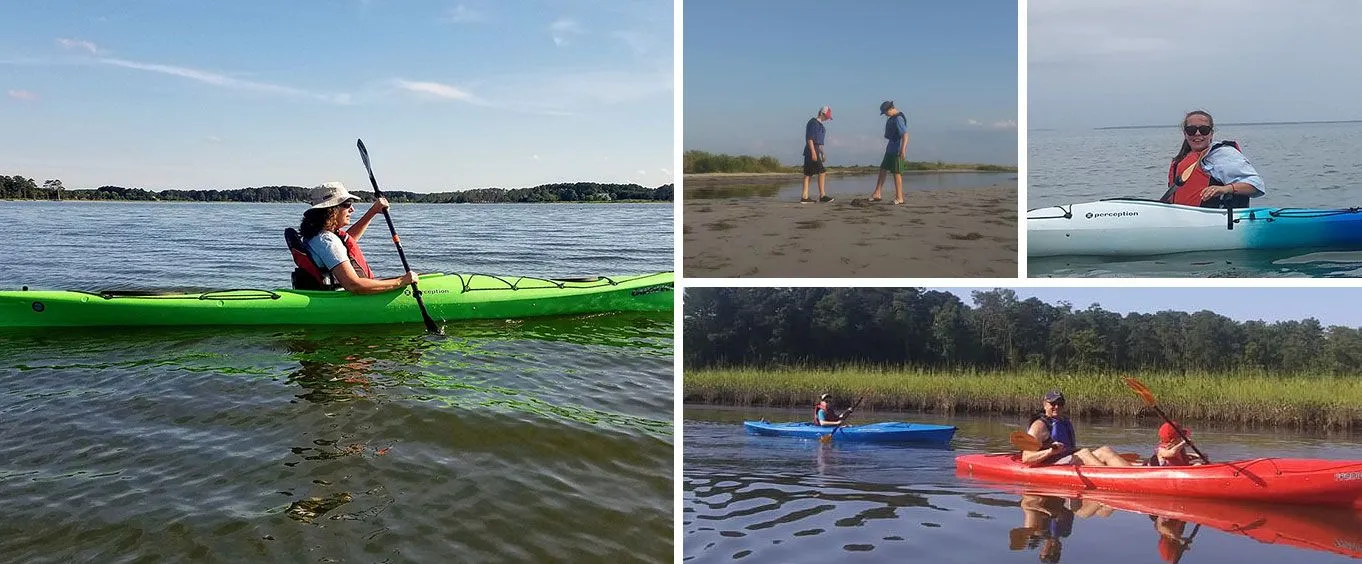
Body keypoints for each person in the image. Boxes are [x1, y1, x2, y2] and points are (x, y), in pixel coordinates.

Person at [292, 181, 418, 294]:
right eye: (347, 204)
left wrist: (372, 212)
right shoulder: (327, 241)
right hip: (347, 297)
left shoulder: (316, 236)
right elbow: (353, 284)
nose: (352, 209)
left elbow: (345, 244)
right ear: (331, 210)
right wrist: (400, 282)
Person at [1160, 110, 1265, 208]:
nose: (1197, 134)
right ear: (1185, 134)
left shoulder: (1223, 154)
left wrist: (1224, 189)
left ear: (1211, 133)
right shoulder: (1182, 158)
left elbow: (1256, 185)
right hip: (1184, 218)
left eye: (1204, 130)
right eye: (1191, 130)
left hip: (1218, 219)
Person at [1021, 390, 1134, 467]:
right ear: (1045, 404)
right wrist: (1050, 452)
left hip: (1068, 459)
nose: (1057, 407)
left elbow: (1071, 449)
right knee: (1084, 453)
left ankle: (1133, 474)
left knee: (1105, 450)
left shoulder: (1064, 422)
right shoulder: (1039, 426)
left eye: (1060, 404)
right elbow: (1026, 458)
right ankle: (1112, 479)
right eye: (1053, 403)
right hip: (1052, 463)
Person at [869, 100, 909, 205]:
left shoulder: (898, 119)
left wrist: (903, 149)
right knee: (883, 169)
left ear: (890, 109)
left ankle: (899, 197)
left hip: (897, 149)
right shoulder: (893, 118)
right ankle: (877, 193)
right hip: (890, 149)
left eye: (886, 112)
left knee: (896, 173)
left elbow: (905, 135)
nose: (885, 115)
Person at [801, 106, 834, 204]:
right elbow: (810, 139)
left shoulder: (822, 127)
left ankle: (804, 197)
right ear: (822, 113)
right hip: (811, 151)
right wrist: (813, 152)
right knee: (822, 172)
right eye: (827, 116)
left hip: (814, 151)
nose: (828, 118)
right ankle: (822, 196)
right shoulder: (813, 123)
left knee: (808, 174)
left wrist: (822, 153)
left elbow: (819, 143)